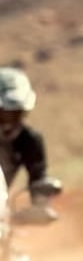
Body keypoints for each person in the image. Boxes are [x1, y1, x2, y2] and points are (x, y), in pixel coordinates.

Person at [0, 67, 51, 196]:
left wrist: (40, 201)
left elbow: (38, 180)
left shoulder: (29, 141)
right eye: (5, 114)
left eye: (17, 113)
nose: (9, 124)